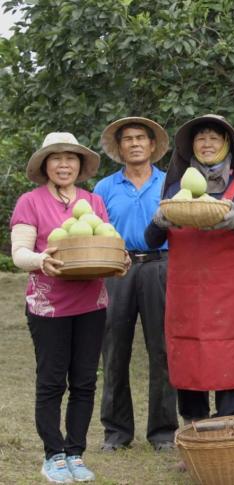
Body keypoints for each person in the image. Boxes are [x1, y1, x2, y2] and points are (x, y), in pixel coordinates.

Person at [10, 132, 129, 483]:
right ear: (45, 165)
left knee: (84, 381)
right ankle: (54, 455)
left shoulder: (94, 202)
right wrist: (40, 259)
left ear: (80, 164)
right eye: (56, 158)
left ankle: (76, 452)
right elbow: (20, 253)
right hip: (48, 307)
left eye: (71, 158)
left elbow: (105, 244)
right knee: (51, 381)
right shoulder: (30, 202)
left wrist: (119, 260)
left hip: (91, 304)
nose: (64, 164)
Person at [145, 114, 234, 427]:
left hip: (230, 297)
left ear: (228, 144)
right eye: (200, 137)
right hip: (187, 294)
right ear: (190, 147)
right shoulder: (176, 189)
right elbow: (152, 240)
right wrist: (160, 221)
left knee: (229, 357)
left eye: (215, 137)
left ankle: (228, 432)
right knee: (188, 359)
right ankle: (194, 434)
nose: (207, 143)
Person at [95, 117, 178, 452]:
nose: (134, 143)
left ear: (153, 145)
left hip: (161, 266)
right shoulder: (104, 188)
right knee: (114, 349)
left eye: (140, 138)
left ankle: (162, 432)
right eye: (127, 139)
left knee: (162, 350)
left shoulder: (169, 183)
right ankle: (116, 432)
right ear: (120, 148)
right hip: (117, 268)